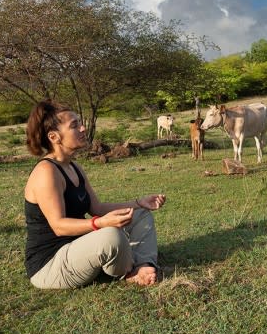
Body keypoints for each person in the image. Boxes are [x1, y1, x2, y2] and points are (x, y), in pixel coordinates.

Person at [24, 99, 166, 289]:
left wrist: (139, 202)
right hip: (50, 265)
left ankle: (143, 266)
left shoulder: (73, 166)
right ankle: (130, 269)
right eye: (74, 125)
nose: (83, 128)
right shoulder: (46, 172)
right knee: (112, 236)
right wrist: (100, 224)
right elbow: (59, 226)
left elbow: (96, 208)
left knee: (139, 214)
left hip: (78, 248)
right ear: (54, 137)